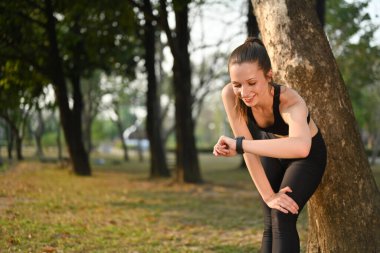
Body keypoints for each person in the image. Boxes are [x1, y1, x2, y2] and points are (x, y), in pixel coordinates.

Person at [213, 37, 327, 253]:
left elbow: (301, 147)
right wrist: (268, 195)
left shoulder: (290, 101)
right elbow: (246, 149)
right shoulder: (230, 95)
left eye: (252, 83)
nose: (244, 93)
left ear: (269, 76)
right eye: (237, 84)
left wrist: (240, 145)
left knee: (282, 215)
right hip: (270, 147)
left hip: (306, 156)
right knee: (270, 217)